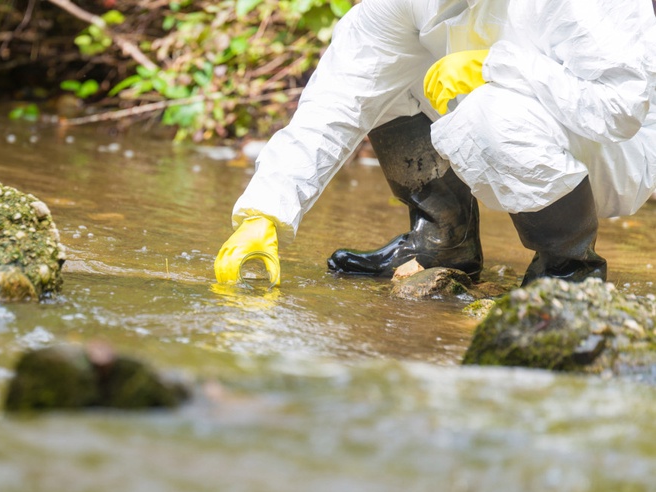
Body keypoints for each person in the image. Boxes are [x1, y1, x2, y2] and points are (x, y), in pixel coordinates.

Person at [213, 0, 656, 288]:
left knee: (490, 111)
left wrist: (497, 65)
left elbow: (621, 107)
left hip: (615, 151)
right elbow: (339, 97)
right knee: (378, 86)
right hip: (513, 113)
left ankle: (568, 272)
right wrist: (266, 211)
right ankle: (444, 243)